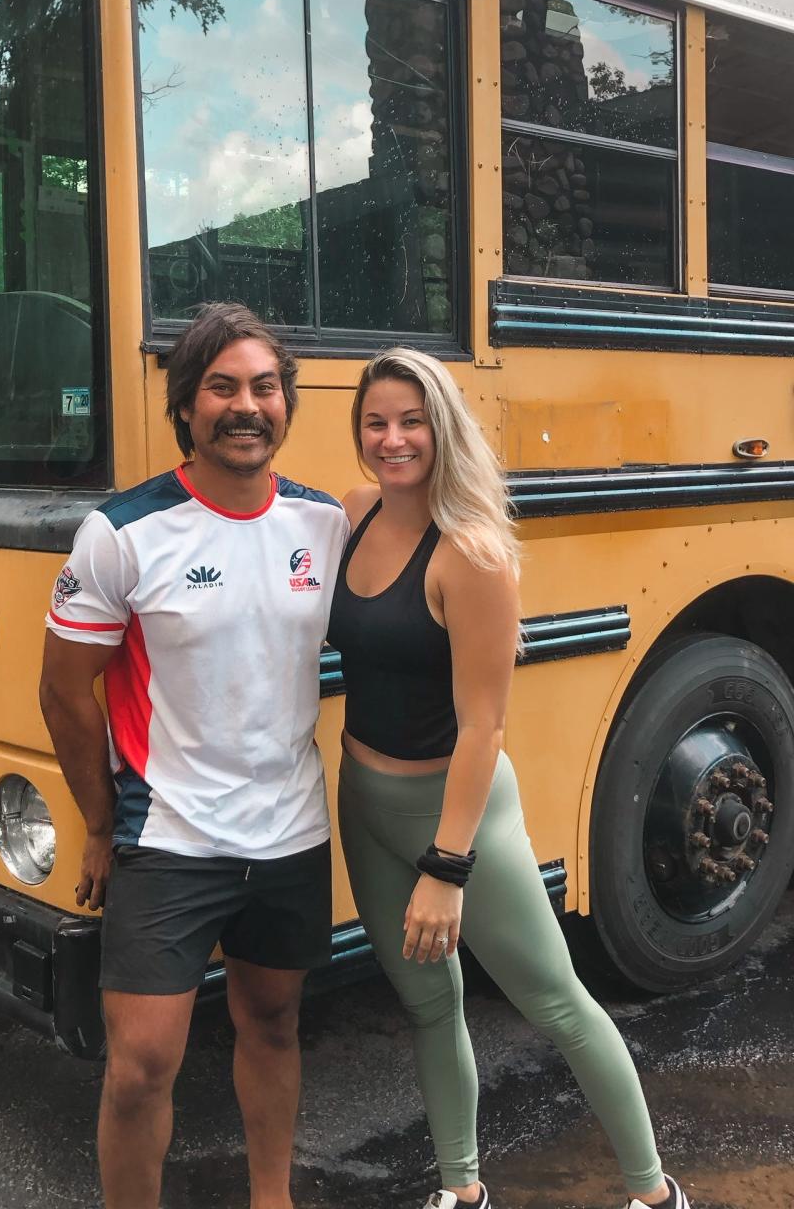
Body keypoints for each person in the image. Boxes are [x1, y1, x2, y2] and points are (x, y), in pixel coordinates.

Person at [327, 348, 691, 1209]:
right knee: (425, 1003)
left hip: (458, 815)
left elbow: (486, 724)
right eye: (376, 421)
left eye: (412, 421)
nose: (393, 439)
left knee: (557, 1001)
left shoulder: (474, 555)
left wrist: (447, 870)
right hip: (364, 797)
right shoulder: (351, 514)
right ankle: (462, 1190)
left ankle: (653, 1194)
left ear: (443, 426)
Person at [39, 302, 349, 1209]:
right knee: (138, 1065)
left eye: (263, 387)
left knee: (275, 1022)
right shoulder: (124, 532)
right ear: (186, 408)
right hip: (169, 835)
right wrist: (101, 825)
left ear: (287, 404)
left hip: (289, 829)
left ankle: (272, 1198)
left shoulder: (323, 524)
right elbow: (63, 691)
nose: (244, 405)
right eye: (221, 387)